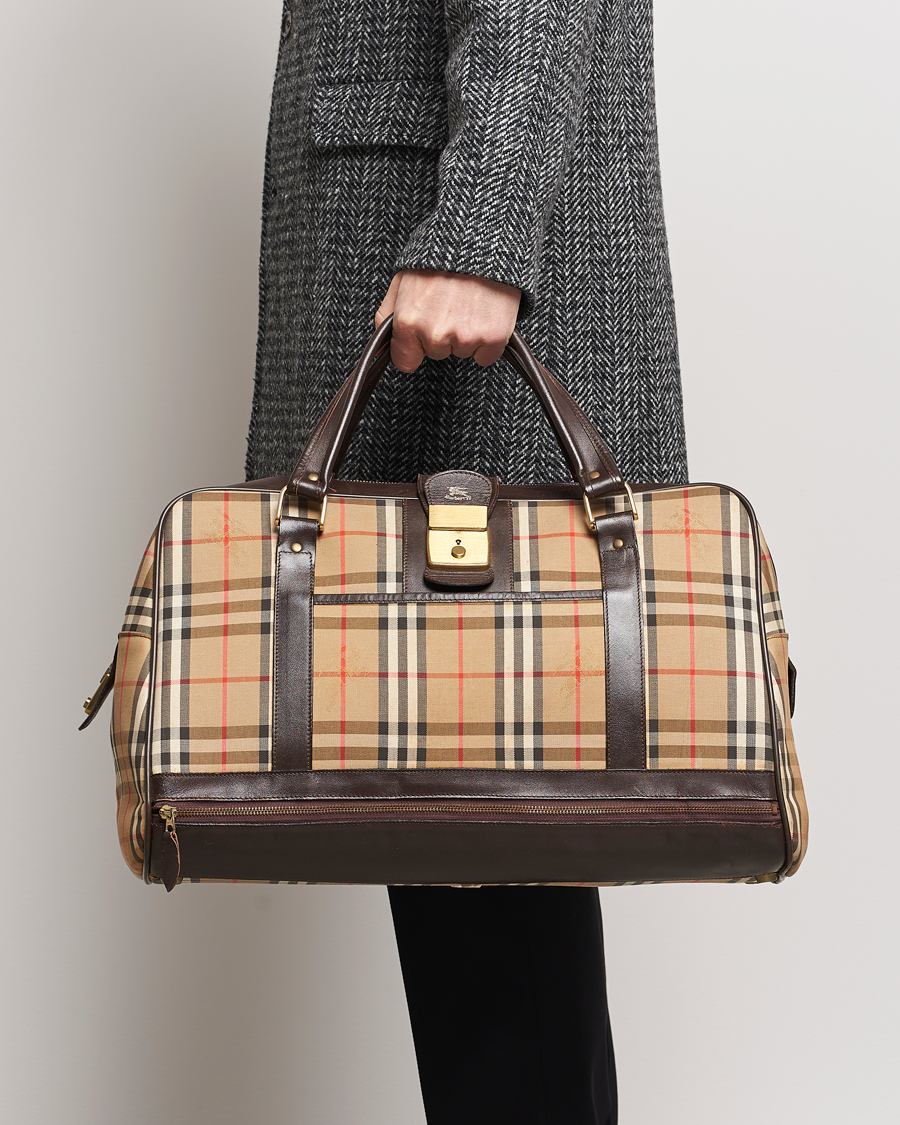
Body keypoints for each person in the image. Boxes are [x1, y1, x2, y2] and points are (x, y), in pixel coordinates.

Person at [246, 3, 688, 1122]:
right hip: (424, 243)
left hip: (449, 277)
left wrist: (479, 228)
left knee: (495, 850)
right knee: (481, 867)